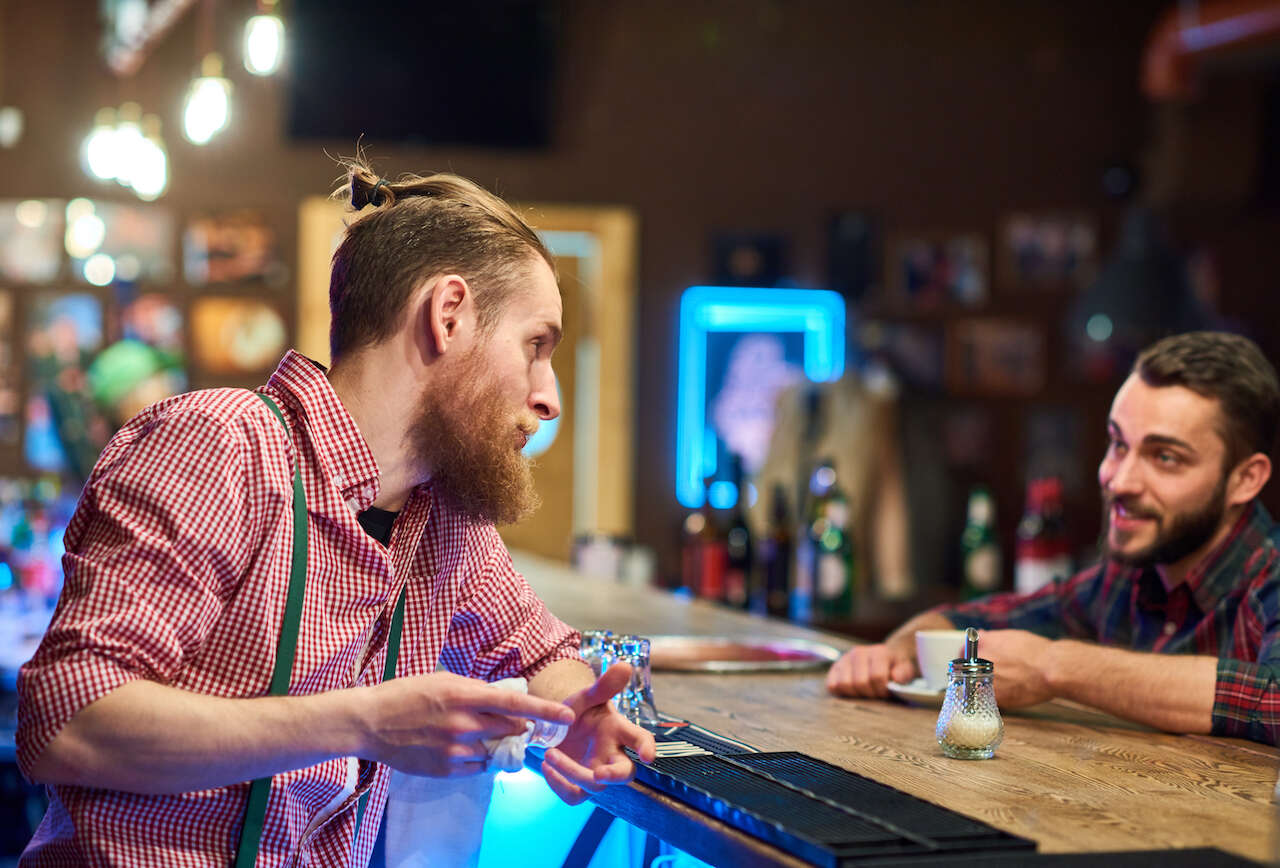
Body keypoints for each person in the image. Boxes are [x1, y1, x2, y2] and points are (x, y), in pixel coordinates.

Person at [16, 161, 656, 866]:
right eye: (536, 346)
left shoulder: (442, 519)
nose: (549, 398)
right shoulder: (222, 448)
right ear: (449, 316)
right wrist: (363, 723)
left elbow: (540, 654)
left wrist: (576, 713)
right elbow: (66, 722)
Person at [827, 331, 1280, 747]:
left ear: (1246, 479)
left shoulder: (1269, 576)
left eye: (1164, 457)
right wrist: (895, 651)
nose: (1118, 481)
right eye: (1118, 444)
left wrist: (1055, 667)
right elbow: (968, 616)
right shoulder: (1127, 579)